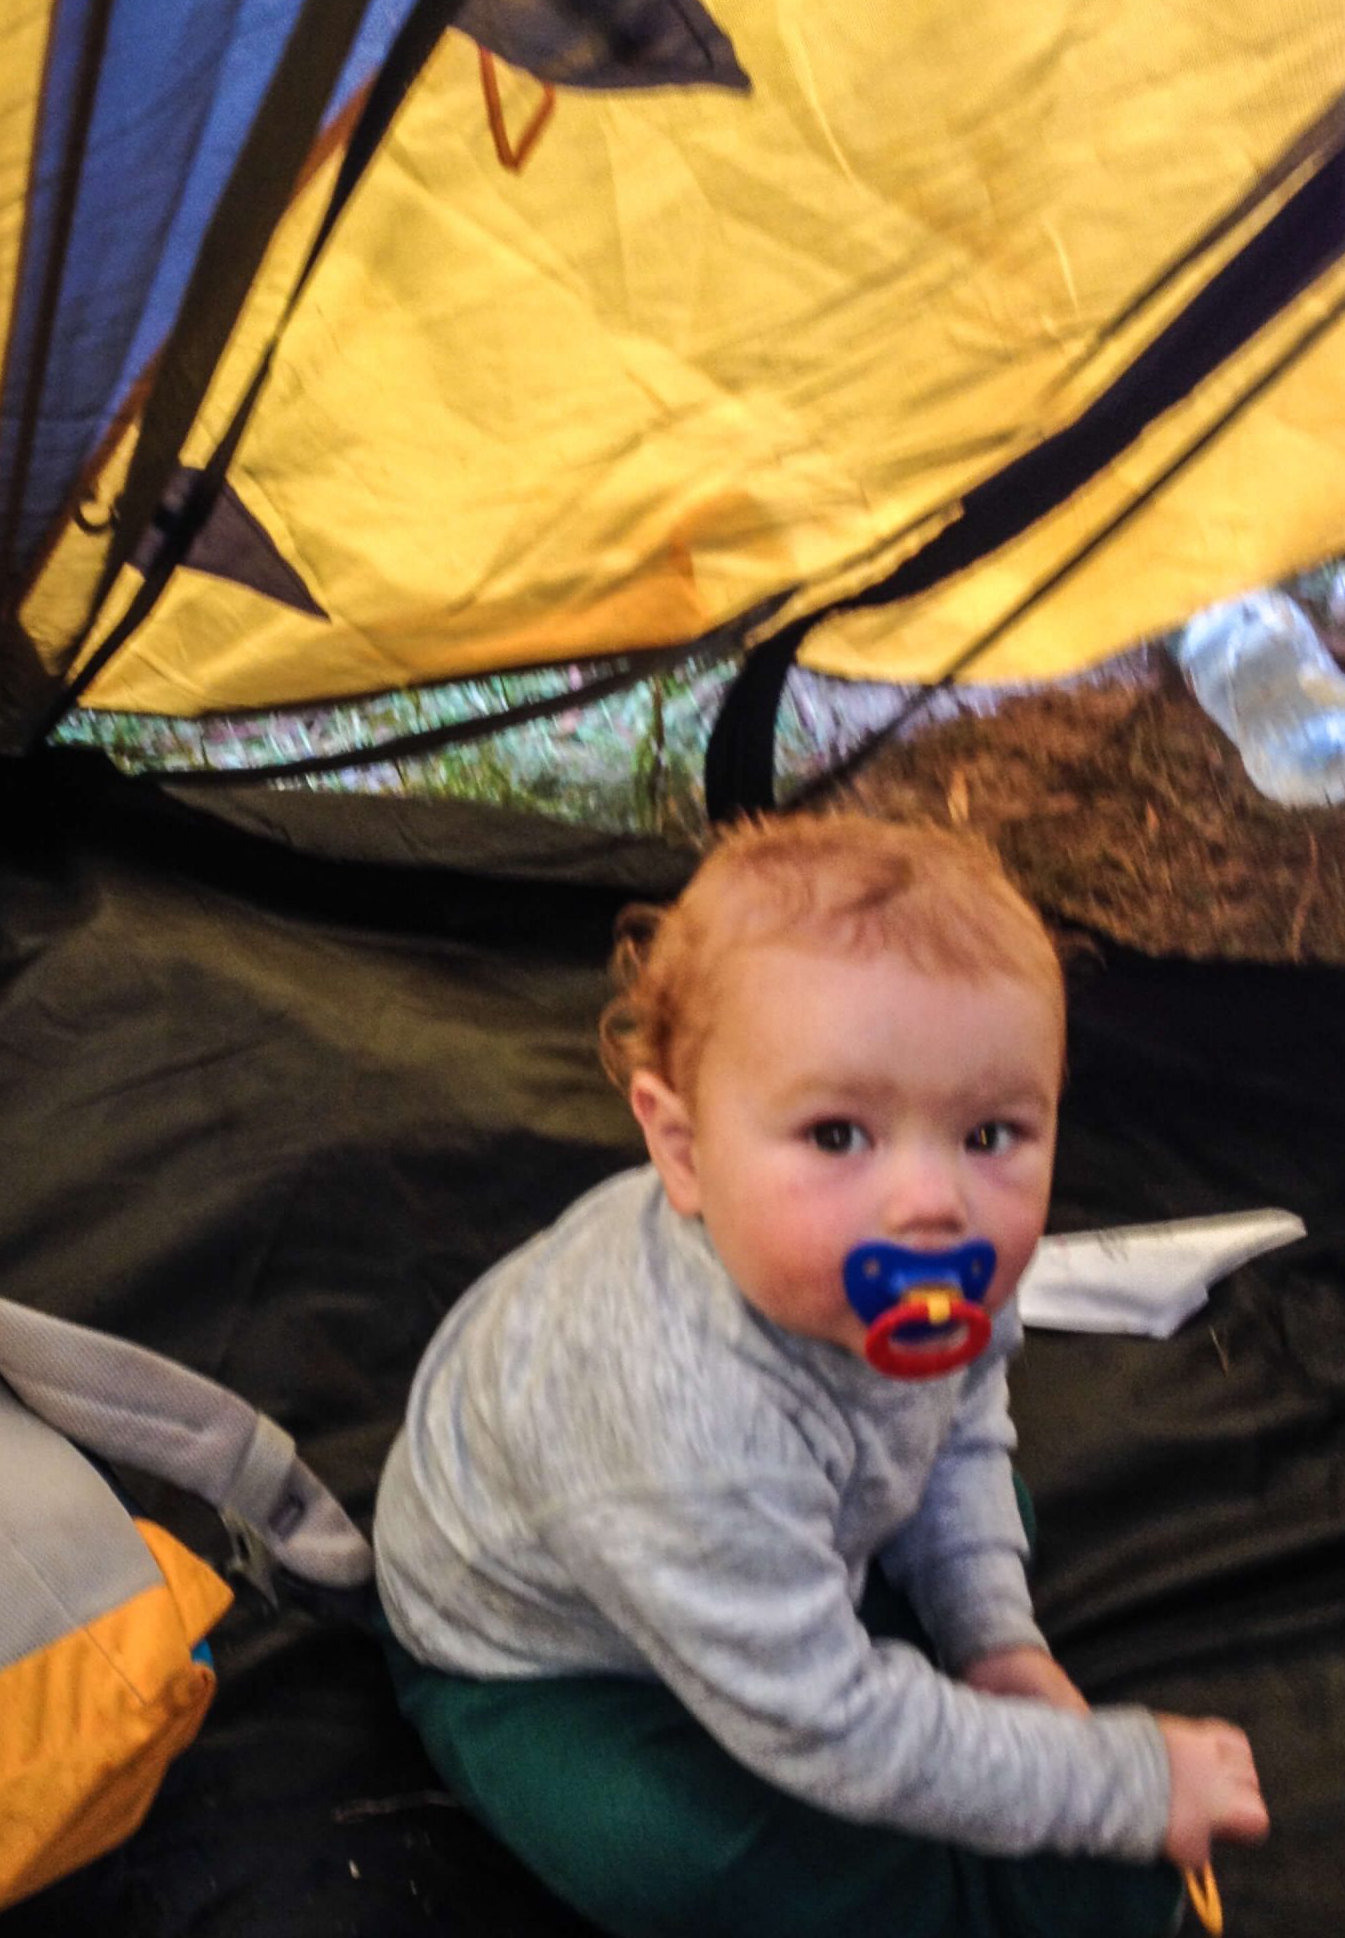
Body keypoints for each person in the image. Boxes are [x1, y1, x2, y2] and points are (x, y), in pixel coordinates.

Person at [373, 813, 1268, 1938]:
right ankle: (969, 1900)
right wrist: (1117, 1784)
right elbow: (821, 1720)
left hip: (746, 1542)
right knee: (679, 1849)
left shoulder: (926, 1276)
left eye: (989, 1132)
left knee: (989, 1511)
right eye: (839, 1134)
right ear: (683, 1148)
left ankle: (951, 1720)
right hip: (538, 1657)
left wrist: (995, 1638)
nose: (932, 1203)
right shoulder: (680, 1417)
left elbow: (958, 1419)